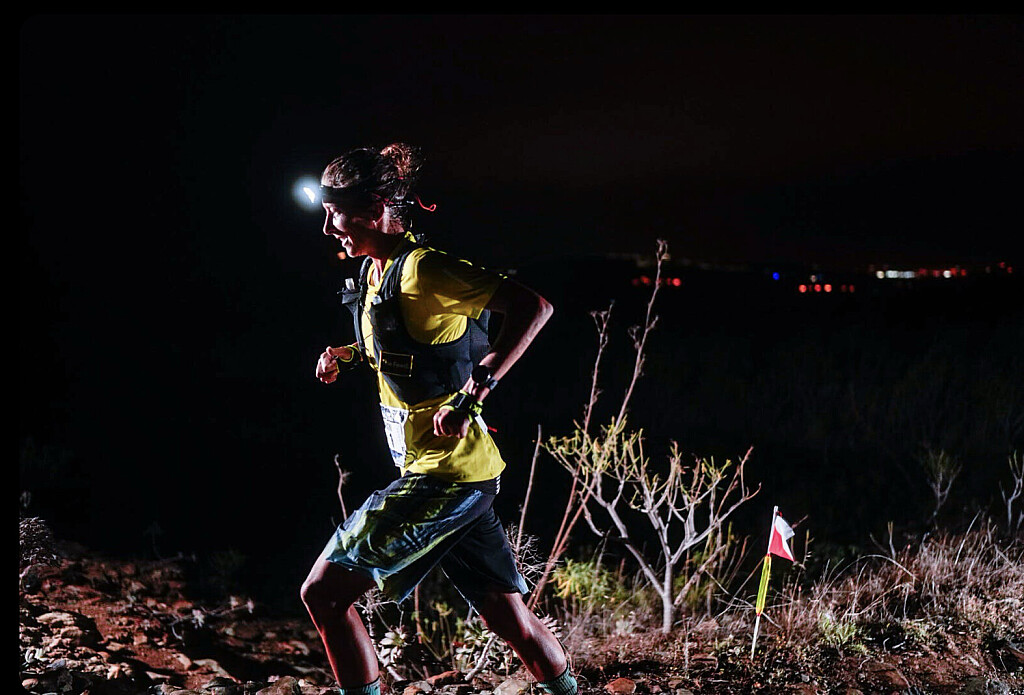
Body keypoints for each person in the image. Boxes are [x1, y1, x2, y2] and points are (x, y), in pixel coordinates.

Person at [300, 143, 577, 695]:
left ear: (375, 208)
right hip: (462, 474)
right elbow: (400, 348)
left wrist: (475, 391)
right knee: (508, 618)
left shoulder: (425, 270)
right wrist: (345, 356)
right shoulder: (376, 273)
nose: (329, 228)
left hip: (446, 476)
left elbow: (534, 307)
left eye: (336, 213)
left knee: (324, 595)